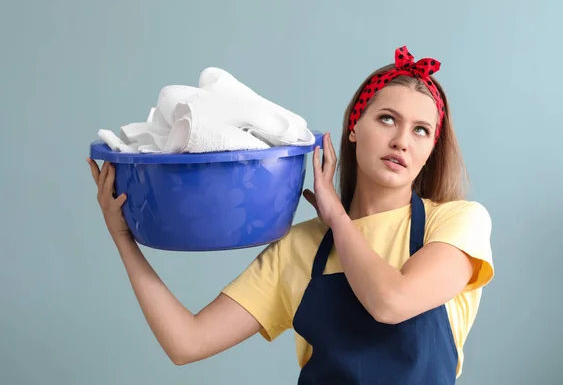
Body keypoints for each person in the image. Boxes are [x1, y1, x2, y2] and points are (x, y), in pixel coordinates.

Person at [87, 45, 494, 384]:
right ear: (354, 127)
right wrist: (124, 238)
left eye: (421, 130)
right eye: (387, 119)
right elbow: (186, 343)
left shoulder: (458, 224)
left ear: (431, 148)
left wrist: (336, 216)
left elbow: (392, 301)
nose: (402, 141)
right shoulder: (299, 247)